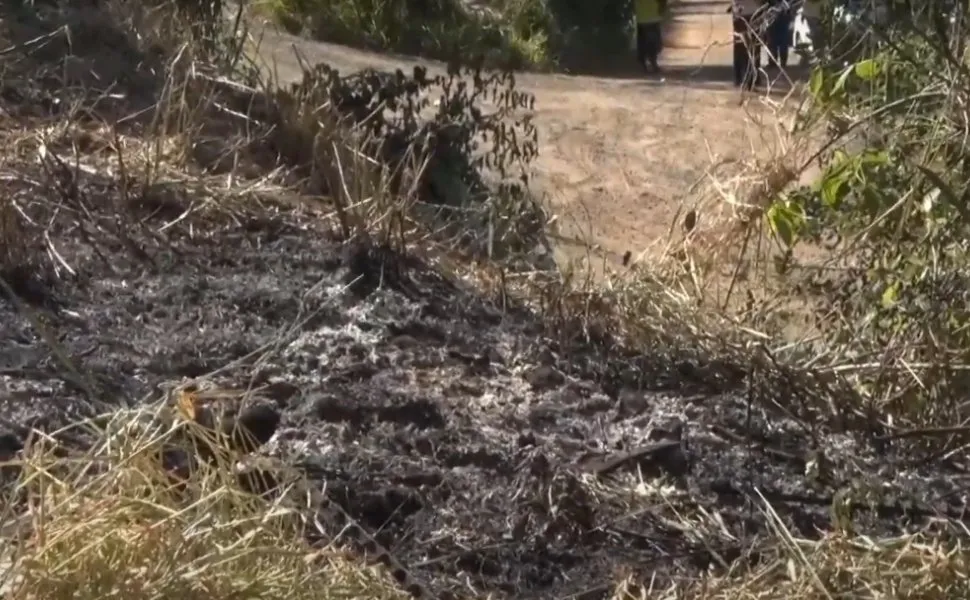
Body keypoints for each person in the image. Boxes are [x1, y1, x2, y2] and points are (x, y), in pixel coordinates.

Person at [728, 0, 768, 89]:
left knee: (744, 47)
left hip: (744, 13)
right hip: (747, 13)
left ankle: (744, 78)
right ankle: (749, 78)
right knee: (751, 47)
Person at [636, 0, 668, 74]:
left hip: (641, 18)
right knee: (653, 43)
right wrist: (663, 9)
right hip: (653, 18)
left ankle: (645, 64)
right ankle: (652, 63)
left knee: (644, 42)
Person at [767, 0, 794, 69]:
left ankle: (782, 62)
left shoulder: (784, 3)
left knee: (781, 44)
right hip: (774, 23)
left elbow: (789, 13)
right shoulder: (771, 4)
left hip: (781, 22)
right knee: (773, 43)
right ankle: (773, 62)